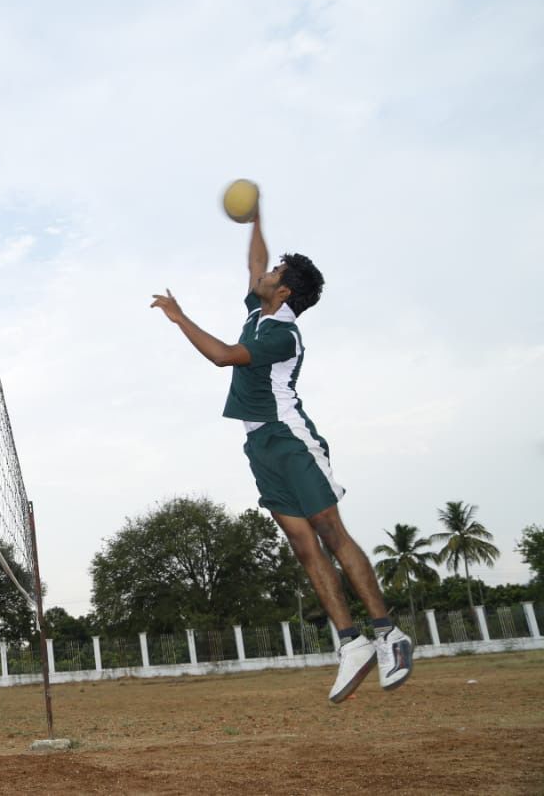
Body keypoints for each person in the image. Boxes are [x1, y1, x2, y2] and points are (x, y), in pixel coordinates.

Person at [150, 196, 412, 703]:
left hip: (290, 439)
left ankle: (389, 634)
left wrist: (180, 317)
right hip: (259, 443)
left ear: (285, 290)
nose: (263, 275)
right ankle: (351, 642)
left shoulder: (282, 334)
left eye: (274, 273)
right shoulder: (260, 310)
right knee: (302, 545)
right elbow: (254, 263)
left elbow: (223, 356)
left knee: (330, 531)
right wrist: (257, 220)